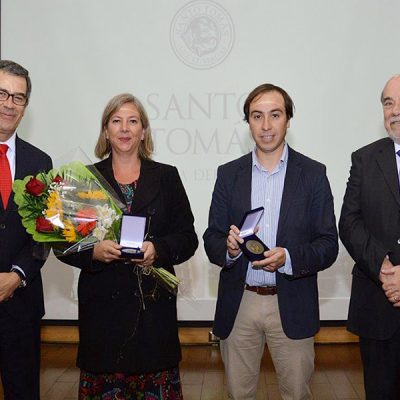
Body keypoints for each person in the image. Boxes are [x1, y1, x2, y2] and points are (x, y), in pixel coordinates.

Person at [203, 83, 338, 400]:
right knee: (239, 394)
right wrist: (230, 248)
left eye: (275, 115)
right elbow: (211, 237)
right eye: (257, 116)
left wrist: (288, 257)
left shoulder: (314, 174)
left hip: (291, 301)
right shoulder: (228, 174)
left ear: (288, 120)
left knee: (296, 394)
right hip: (241, 302)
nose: (266, 126)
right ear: (247, 122)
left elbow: (328, 244)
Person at [59, 93, 198, 399]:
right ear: (106, 130)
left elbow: (188, 237)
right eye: (116, 121)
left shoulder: (167, 177)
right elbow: (62, 242)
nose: (124, 128)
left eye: (133, 121)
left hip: (153, 313)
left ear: (143, 131)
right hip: (102, 314)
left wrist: (157, 249)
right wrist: (93, 251)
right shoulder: (86, 178)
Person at [339, 75, 400, 400]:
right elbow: (349, 222)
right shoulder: (364, 158)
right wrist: (384, 269)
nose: (395, 111)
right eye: (388, 103)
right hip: (378, 305)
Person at [0, 60, 52, 399]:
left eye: (18, 97)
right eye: (2, 93)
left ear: (26, 106)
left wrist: (17, 274)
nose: (8, 104)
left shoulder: (40, 162)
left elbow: (44, 234)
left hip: (21, 302)